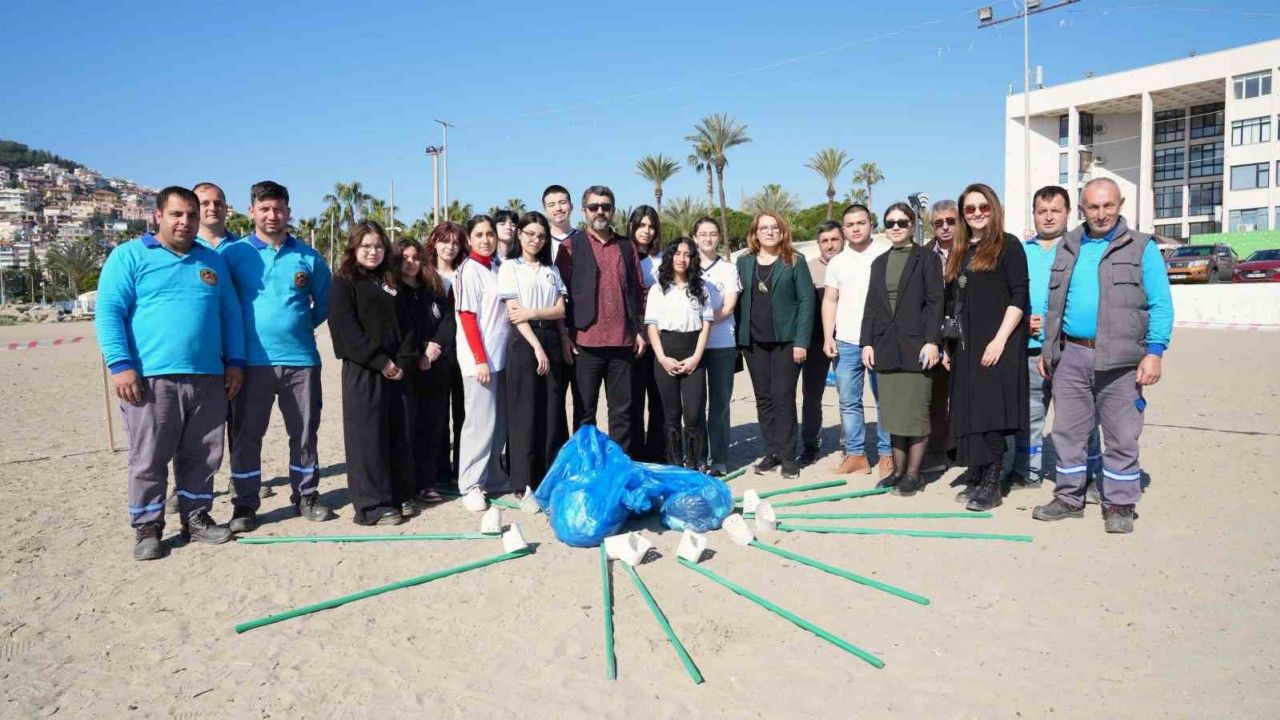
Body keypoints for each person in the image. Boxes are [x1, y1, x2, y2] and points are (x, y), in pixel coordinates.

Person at [95, 186, 245, 560]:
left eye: (192, 215)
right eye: (177, 214)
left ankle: (196, 517)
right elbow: (109, 313)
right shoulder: (129, 256)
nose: (185, 221)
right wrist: (121, 366)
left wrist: (235, 362)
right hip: (150, 379)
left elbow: (230, 315)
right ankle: (148, 527)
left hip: (207, 376)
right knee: (149, 457)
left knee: (204, 454)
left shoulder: (211, 262)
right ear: (158, 216)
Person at [1033, 178, 1173, 533]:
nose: (1101, 213)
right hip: (1071, 355)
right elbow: (1053, 305)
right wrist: (1049, 348)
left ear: (1120, 204)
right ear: (1082, 209)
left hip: (1122, 360)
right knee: (1068, 432)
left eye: (1108, 205)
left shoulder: (1141, 247)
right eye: (1093, 207)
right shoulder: (1068, 246)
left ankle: (1119, 504)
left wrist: (1154, 352)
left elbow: (1161, 304)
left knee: (1122, 434)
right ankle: (1069, 497)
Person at [221, 181, 335, 532]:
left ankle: (306, 495)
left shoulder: (308, 256)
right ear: (251, 211)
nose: (272, 215)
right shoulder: (233, 254)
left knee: (304, 433)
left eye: (279, 209)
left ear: (288, 212)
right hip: (250, 364)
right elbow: (223, 306)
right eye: (265, 209)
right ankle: (245, 504)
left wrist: (297, 326)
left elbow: (325, 303)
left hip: (301, 362)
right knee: (246, 437)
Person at [1004, 186, 1102, 492]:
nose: (1048, 217)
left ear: (1068, 213)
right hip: (1029, 351)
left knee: (1080, 419)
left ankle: (1088, 477)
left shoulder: (1082, 250)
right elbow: (1007, 296)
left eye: (1055, 211)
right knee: (1029, 415)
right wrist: (1022, 322)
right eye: (1041, 211)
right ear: (1033, 214)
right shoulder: (1020, 251)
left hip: (1070, 351)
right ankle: (1026, 471)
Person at [942, 183, 1029, 512]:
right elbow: (952, 302)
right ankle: (977, 472)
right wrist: (948, 345)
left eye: (983, 207)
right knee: (968, 407)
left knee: (990, 410)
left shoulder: (1008, 245)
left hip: (997, 342)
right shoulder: (960, 250)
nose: (977, 213)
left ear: (994, 208)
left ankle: (993, 480)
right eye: (970, 208)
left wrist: (1000, 339)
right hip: (966, 345)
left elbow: (1019, 296)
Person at [328, 221, 417, 526]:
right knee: (367, 439)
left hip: (397, 371)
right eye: (366, 246)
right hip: (365, 370)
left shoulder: (390, 280)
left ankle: (398, 494)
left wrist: (402, 360)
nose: (373, 251)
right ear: (354, 248)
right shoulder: (344, 282)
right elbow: (345, 330)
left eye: (378, 246)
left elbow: (407, 325)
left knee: (396, 434)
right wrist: (380, 362)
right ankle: (372, 505)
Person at [555, 185, 647, 453]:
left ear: (613, 211)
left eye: (605, 207)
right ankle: (586, 464)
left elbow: (637, 290)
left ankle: (619, 466)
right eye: (594, 207)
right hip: (585, 343)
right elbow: (559, 294)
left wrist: (639, 330)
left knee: (622, 412)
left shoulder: (626, 246)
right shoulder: (570, 247)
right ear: (584, 211)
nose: (600, 212)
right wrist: (564, 335)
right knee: (585, 412)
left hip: (622, 342)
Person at [860, 204, 944, 495]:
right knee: (893, 414)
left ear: (912, 225)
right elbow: (872, 305)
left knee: (916, 413)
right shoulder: (879, 263)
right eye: (890, 223)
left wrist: (932, 341)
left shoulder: (927, 259)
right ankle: (897, 471)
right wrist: (867, 342)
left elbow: (935, 302)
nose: (895, 227)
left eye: (902, 222)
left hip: (917, 346)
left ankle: (913, 474)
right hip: (886, 346)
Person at [736, 211, 815, 479]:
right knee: (764, 398)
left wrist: (802, 340)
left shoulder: (795, 261)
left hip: (787, 341)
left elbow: (807, 301)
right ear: (755, 233)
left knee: (783, 396)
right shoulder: (744, 262)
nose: (769, 232)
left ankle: (789, 456)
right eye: (764, 228)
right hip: (753, 342)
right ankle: (773, 451)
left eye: (774, 228)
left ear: (782, 232)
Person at [498, 211, 570, 493]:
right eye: (530, 234)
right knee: (524, 411)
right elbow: (515, 313)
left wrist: (537, 315)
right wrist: (536, 346)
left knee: (552, 410)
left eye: (541, 236)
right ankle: (523, 481)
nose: (535, 240)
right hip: (524, 341)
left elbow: (560, 310)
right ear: (520, 234)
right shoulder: (510, 268)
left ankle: (549, 478)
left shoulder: (551, 270)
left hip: (551, 337)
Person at [822, 204, 892, 478]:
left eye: (860, 223)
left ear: (870, 224)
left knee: (884, 400)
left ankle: (887, 454)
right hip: (846, 341)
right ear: (843, 229)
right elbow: (830, 300)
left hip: (881, 340)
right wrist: (828, 336)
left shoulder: (886, 253)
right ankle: (856, 455)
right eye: (850, 225)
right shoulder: (837, 262)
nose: (855, 228)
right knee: (849, 401)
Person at [455, 215, 513, 510]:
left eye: (490, 233)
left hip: (500, 358)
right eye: (478, 235)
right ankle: (471, 484)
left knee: (498, 423)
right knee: (480, 423)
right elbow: (467, 316)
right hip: (480, 361)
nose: (486, 239)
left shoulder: (497, 267)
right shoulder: (468, 270)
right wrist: (479, 359)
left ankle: (493, 476)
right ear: (469, 239)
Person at [395, 237, 454, 512]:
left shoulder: (432, 288)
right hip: (407, 367)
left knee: (433, 425)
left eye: (416, 257)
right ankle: (407, 485)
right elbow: (397, 329)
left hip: (435, 364)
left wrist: (434, 347)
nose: (411, 262)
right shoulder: (393, 291)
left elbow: (447, 319)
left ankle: (428, 482)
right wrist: (419, 349)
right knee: (408, 426)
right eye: (405, 257)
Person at [645, 237, 713, 467]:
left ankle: (694, 463)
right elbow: (652, 326)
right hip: (666, 353)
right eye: (677, 253)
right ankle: (674, 463)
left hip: (693, 353)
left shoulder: (701, 289)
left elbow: (706, 325)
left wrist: (696, 357)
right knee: (671, 414)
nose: (682, 259)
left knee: (693, 413)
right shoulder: (658, 289)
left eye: (687, 254)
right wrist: (662, 358)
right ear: (670, 256)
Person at [692, 216, 741, 476]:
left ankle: (719, 458)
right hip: (693, 345)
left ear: (719, 237)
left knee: (720, 403)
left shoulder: (728, 269)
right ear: (695, 238)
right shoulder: (687, 265)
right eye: (703, 234)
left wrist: (706, 324)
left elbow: (729, 305)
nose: (708, 238)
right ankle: (698, 457)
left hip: (722, 343)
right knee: (695, 404)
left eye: (712, 233)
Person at [425, 222, 467, 483]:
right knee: (437, 414)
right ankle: (439, 471)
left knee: (463, 413)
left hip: (464, 352)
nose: (449, 247)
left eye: (455, 242)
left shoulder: (466, 273)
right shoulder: (424, 274)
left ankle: (463, 468)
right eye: (444, 241)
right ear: (434, 242)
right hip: (436, 354)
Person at [799, 221, 842, 466]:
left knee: (849, 396)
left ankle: (851, 446)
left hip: (847, 340)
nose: (830, 245)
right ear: (818, 244)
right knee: (811, 395)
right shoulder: (808, 269)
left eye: (834, 239)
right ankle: (810, 444)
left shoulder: (852, 265)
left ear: (842, 239)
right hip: (816, 342)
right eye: (825, 241)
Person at [628, 206, 666, 462]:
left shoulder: (662, 260)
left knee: (659, 399)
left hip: (660, 338)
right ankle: (634, 453)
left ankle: (657, 452)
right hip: (633, 338)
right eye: (641, 225)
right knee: (632, 400)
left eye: (651, 226)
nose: (646, 231)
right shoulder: (624, 255)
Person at [924, 199, 959, 472]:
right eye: (939, 223)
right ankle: (938, 452)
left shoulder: (972, 250)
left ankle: (961, 449)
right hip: (936, 335)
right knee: (936, 399)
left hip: (967, 335)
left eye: (950, 221)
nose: (945, 227)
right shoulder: (924, 254)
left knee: (964, 397)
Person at [542, 184, 582, 265]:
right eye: (551, 205)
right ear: (545, 211)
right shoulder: (541, 242)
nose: (558, 208)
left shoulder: (584, 239)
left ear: (571, 206)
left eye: (562, 202)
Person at [193, 182, 239, 251]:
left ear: (226, 208)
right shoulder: (183, 246)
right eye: (205, 204)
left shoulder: (242, 245)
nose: (212, 208)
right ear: (193, 209)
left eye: (218, 204)